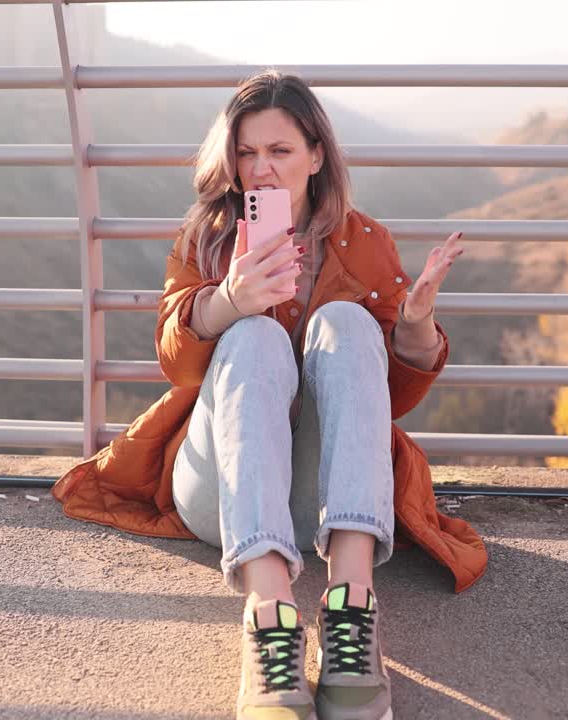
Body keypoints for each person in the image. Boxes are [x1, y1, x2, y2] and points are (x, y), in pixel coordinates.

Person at [52, 70, 487, 720]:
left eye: (279, 152)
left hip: (324, 494)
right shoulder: (206, 235)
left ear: (316, 156)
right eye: (247, 153)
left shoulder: (364, 242)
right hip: (223, 493)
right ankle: (270, 617)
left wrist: (416, 329)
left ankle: (350, 616)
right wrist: (226, 303)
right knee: (253, 336)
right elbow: (176, 365)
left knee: (348, 323)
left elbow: (384, 403)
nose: (260, 170)